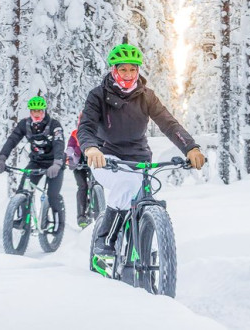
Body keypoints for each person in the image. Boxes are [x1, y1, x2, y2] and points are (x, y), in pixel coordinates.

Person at [78, 43, 205, 256]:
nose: (128, 74)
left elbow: (168, 123)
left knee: (142, 196)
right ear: (113, 70)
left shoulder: (146, 96)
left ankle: (141, 246)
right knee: (125, 184)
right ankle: (105, 237)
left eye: (133, 69)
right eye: (123, 69)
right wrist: (91, 148)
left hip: (139, 159)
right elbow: (87, 127)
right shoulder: (98, 95)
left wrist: (190, 147)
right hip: (105, 157)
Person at [0, 96, 65, 231]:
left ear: (44, 110)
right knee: (22, 190)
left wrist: (57, 163)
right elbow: (12, 140)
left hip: (54, 164)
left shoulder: (54, 125)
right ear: (30, 112)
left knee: (52, 194)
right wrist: (2, 158)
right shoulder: (25, 124)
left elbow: (59, 143)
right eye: (34, 111)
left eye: (39, 111)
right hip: (36, 162)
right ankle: (23, 220)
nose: (37, 114)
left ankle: (58, 223)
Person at [65, 112, 91, 228]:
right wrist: (69, 159)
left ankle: (98, 209)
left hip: (93, 163)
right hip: (78, 164)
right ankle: (81, 216)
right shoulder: (75, 134)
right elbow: (70, 148)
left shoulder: (97, 132)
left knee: (96, 184)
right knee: (83, 186)